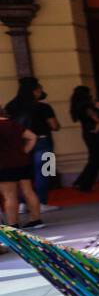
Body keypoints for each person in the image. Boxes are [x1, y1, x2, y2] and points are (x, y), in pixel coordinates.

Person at [4, 76, 61, 213]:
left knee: (24, 174)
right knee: (45, 172)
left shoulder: (11, 106)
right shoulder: (43, 107)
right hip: (44, 141)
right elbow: (54, 126)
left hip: (20, 143)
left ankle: (23, 203)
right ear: (35, 91)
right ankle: (41, 202)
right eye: (40, 89)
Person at [0, 110, 45, 238]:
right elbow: (32, 137)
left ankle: (13, 225)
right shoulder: (13, 124)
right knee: (28, 190)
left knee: (10, 196)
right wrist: (24, 152)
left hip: (4, 165)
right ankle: (36, 219)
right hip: (23, 162)